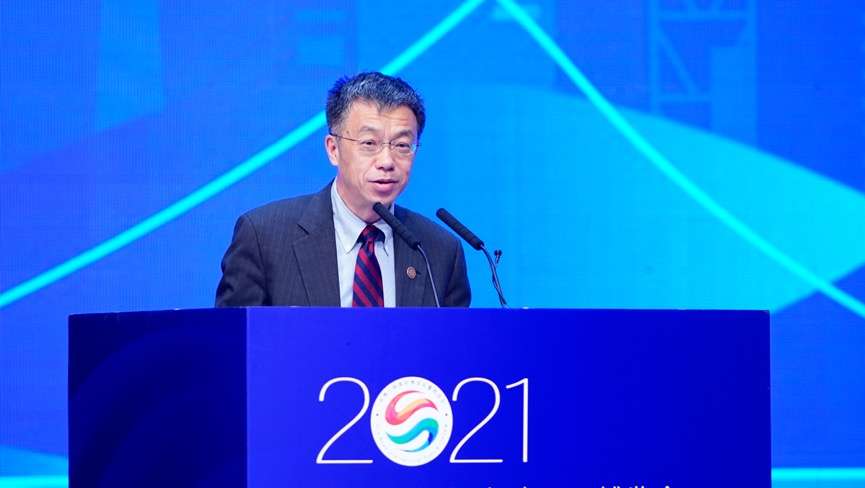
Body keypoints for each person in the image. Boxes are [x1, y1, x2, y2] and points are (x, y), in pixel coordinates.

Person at [215, 72, 471, 307]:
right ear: (333, 149)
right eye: (369, 143)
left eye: (402, 145)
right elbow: (232, 339)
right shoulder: (264, 237)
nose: (386, 161)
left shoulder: (439, 251)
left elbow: (455, 342)